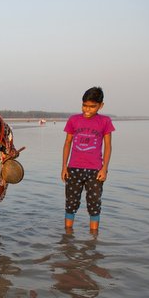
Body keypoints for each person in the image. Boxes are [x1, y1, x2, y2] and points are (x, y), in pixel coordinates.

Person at [61, 87, 114, 233]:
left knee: (94, 203)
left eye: (92, 106)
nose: (87, 109)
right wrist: (64, 167)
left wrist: (104, 169)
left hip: (95, 171)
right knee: (71, 202)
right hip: (74, 169)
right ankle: (68, 233)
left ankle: (94, 237)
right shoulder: (74, 120)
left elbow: (108, 146)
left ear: (101, 105)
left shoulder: (105, 121)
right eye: (85, 105)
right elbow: (67, 143)